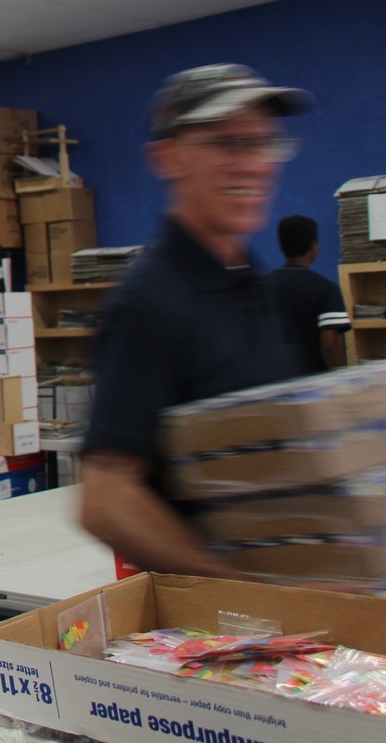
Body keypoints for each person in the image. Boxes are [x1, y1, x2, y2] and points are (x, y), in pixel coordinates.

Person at [80, 63, 312, 578]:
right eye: (228, 144)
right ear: (167, 157)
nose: (253, 165)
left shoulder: (251, 282)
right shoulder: (150, 302)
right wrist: (247, 591)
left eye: (263, 144)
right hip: (211, 634)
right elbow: (106, 497)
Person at [266, 215, 351, 374]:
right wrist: (341, 380)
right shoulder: (326, 289)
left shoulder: (262, 287)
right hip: (314, 382)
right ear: (313, 247)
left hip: (273, 381)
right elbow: (329, 345)